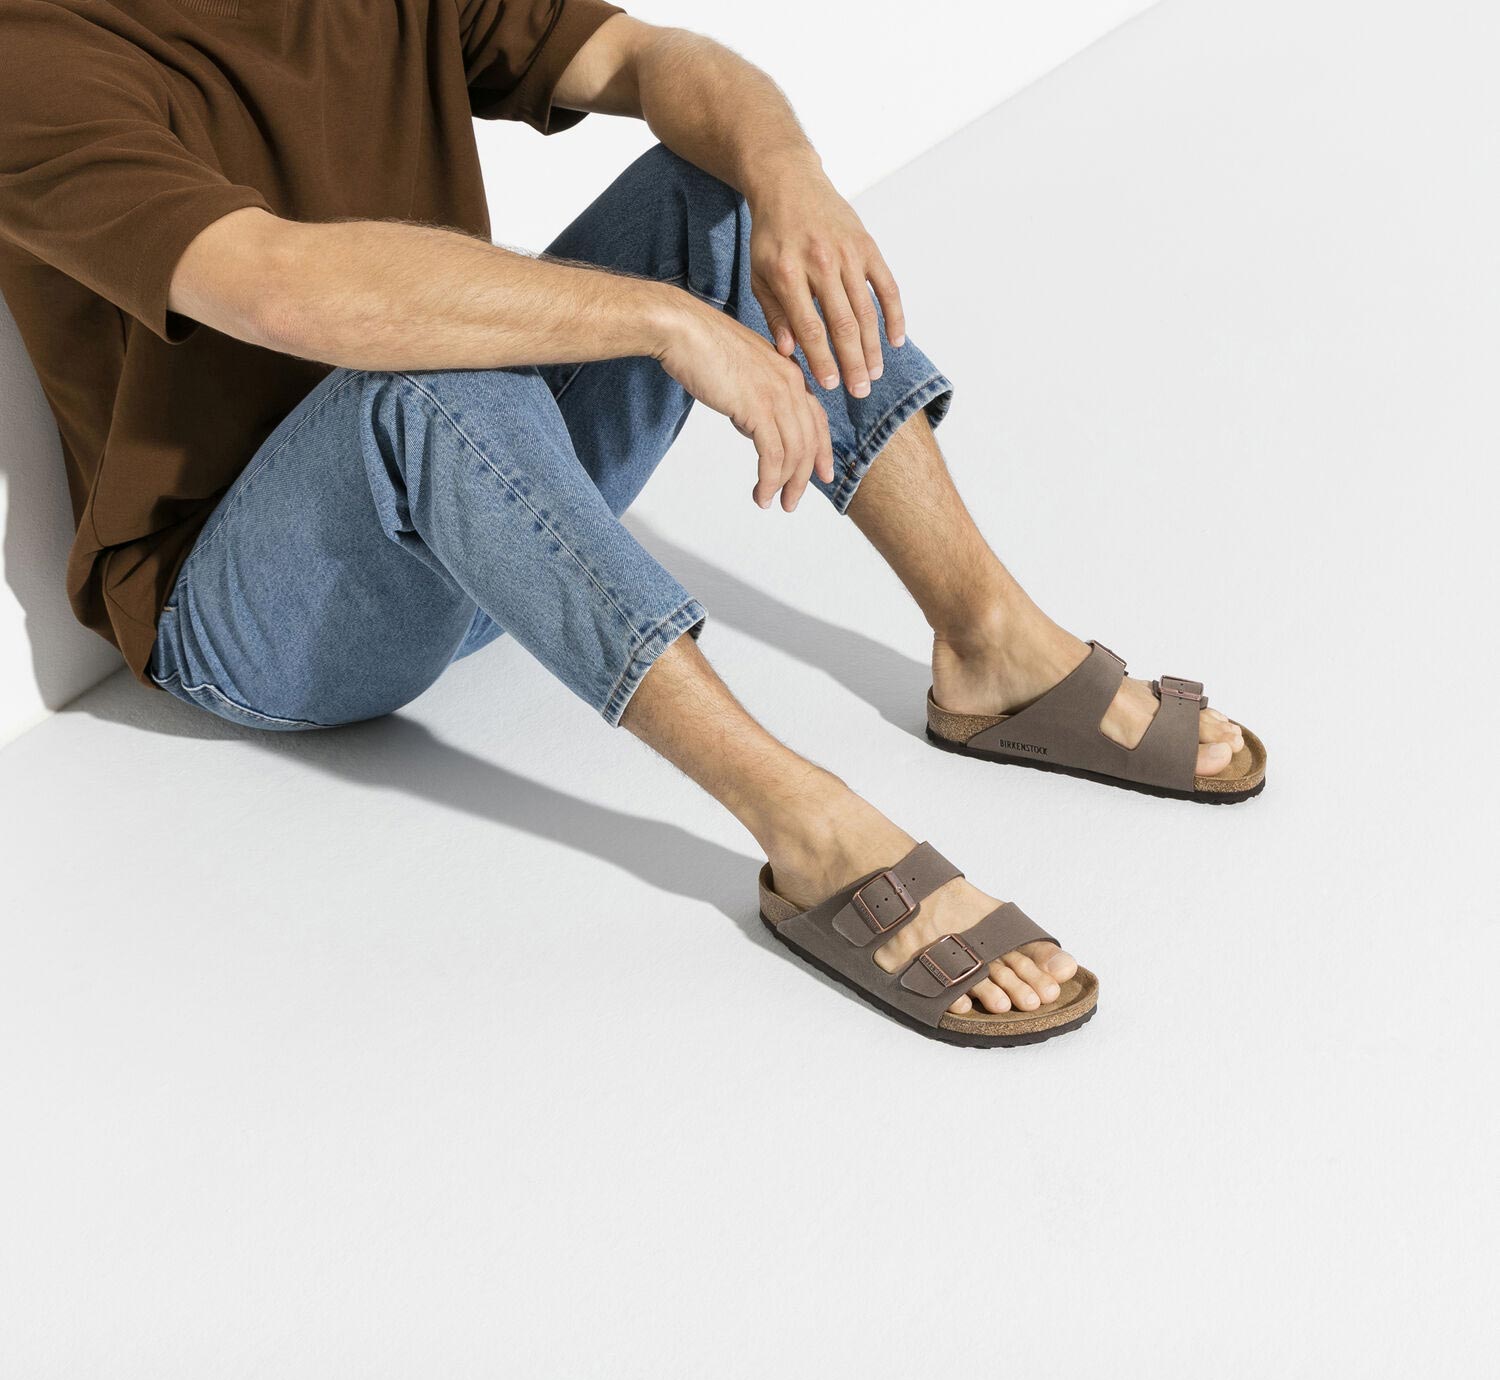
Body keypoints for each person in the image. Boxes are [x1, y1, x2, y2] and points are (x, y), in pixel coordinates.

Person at [0, 0, 1264, 1045]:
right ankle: (810, 826)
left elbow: (654, 59)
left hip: (485, 502)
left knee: (719, 192)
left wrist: (787, 175)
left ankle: (994, 648)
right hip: (252, 610)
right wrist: (662, 322)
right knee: (422, 389)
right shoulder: (30, 50)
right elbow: (277, 285)